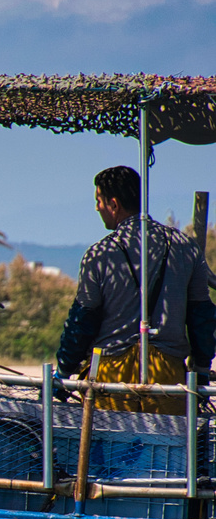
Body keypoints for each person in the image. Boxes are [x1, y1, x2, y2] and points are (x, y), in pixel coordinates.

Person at [56, 165, 216, 412]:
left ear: (114, 204)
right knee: (166, 448)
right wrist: (202, 372)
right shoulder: (185, 248)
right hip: (168, 377)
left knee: (109, 448)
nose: (97, 207)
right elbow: (201, 317)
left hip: (111, 376)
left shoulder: (100, 255)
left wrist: (64, 371)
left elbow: (82, 321)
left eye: (98, 200)